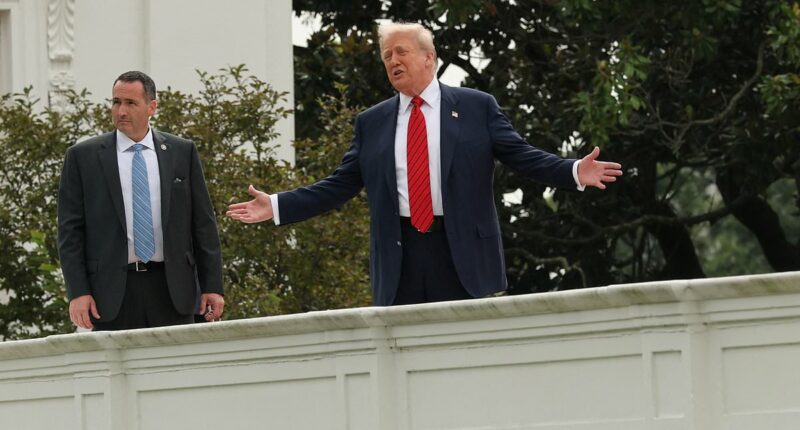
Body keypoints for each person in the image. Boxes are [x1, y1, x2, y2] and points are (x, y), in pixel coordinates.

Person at [227, 22, 622, 306]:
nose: (392, 61)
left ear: (429, 57)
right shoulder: (372, 122)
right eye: (386, 56)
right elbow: (340, 184)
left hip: (461, 250)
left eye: (401, 52)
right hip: (401, 255)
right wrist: (277, 205)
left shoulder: (475, 107)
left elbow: (521, 155)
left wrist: (573, 171)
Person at [58, 71, 224, 330]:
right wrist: (78, 292)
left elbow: (203, 224)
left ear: (152, 107)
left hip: (173, 291)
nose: (121, 111)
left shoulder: (182, 152)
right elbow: (70, 232)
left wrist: (212, 286)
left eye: (130, 103)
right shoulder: (82, 157)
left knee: (174, 369)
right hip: (110, 294)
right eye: (116, 102)